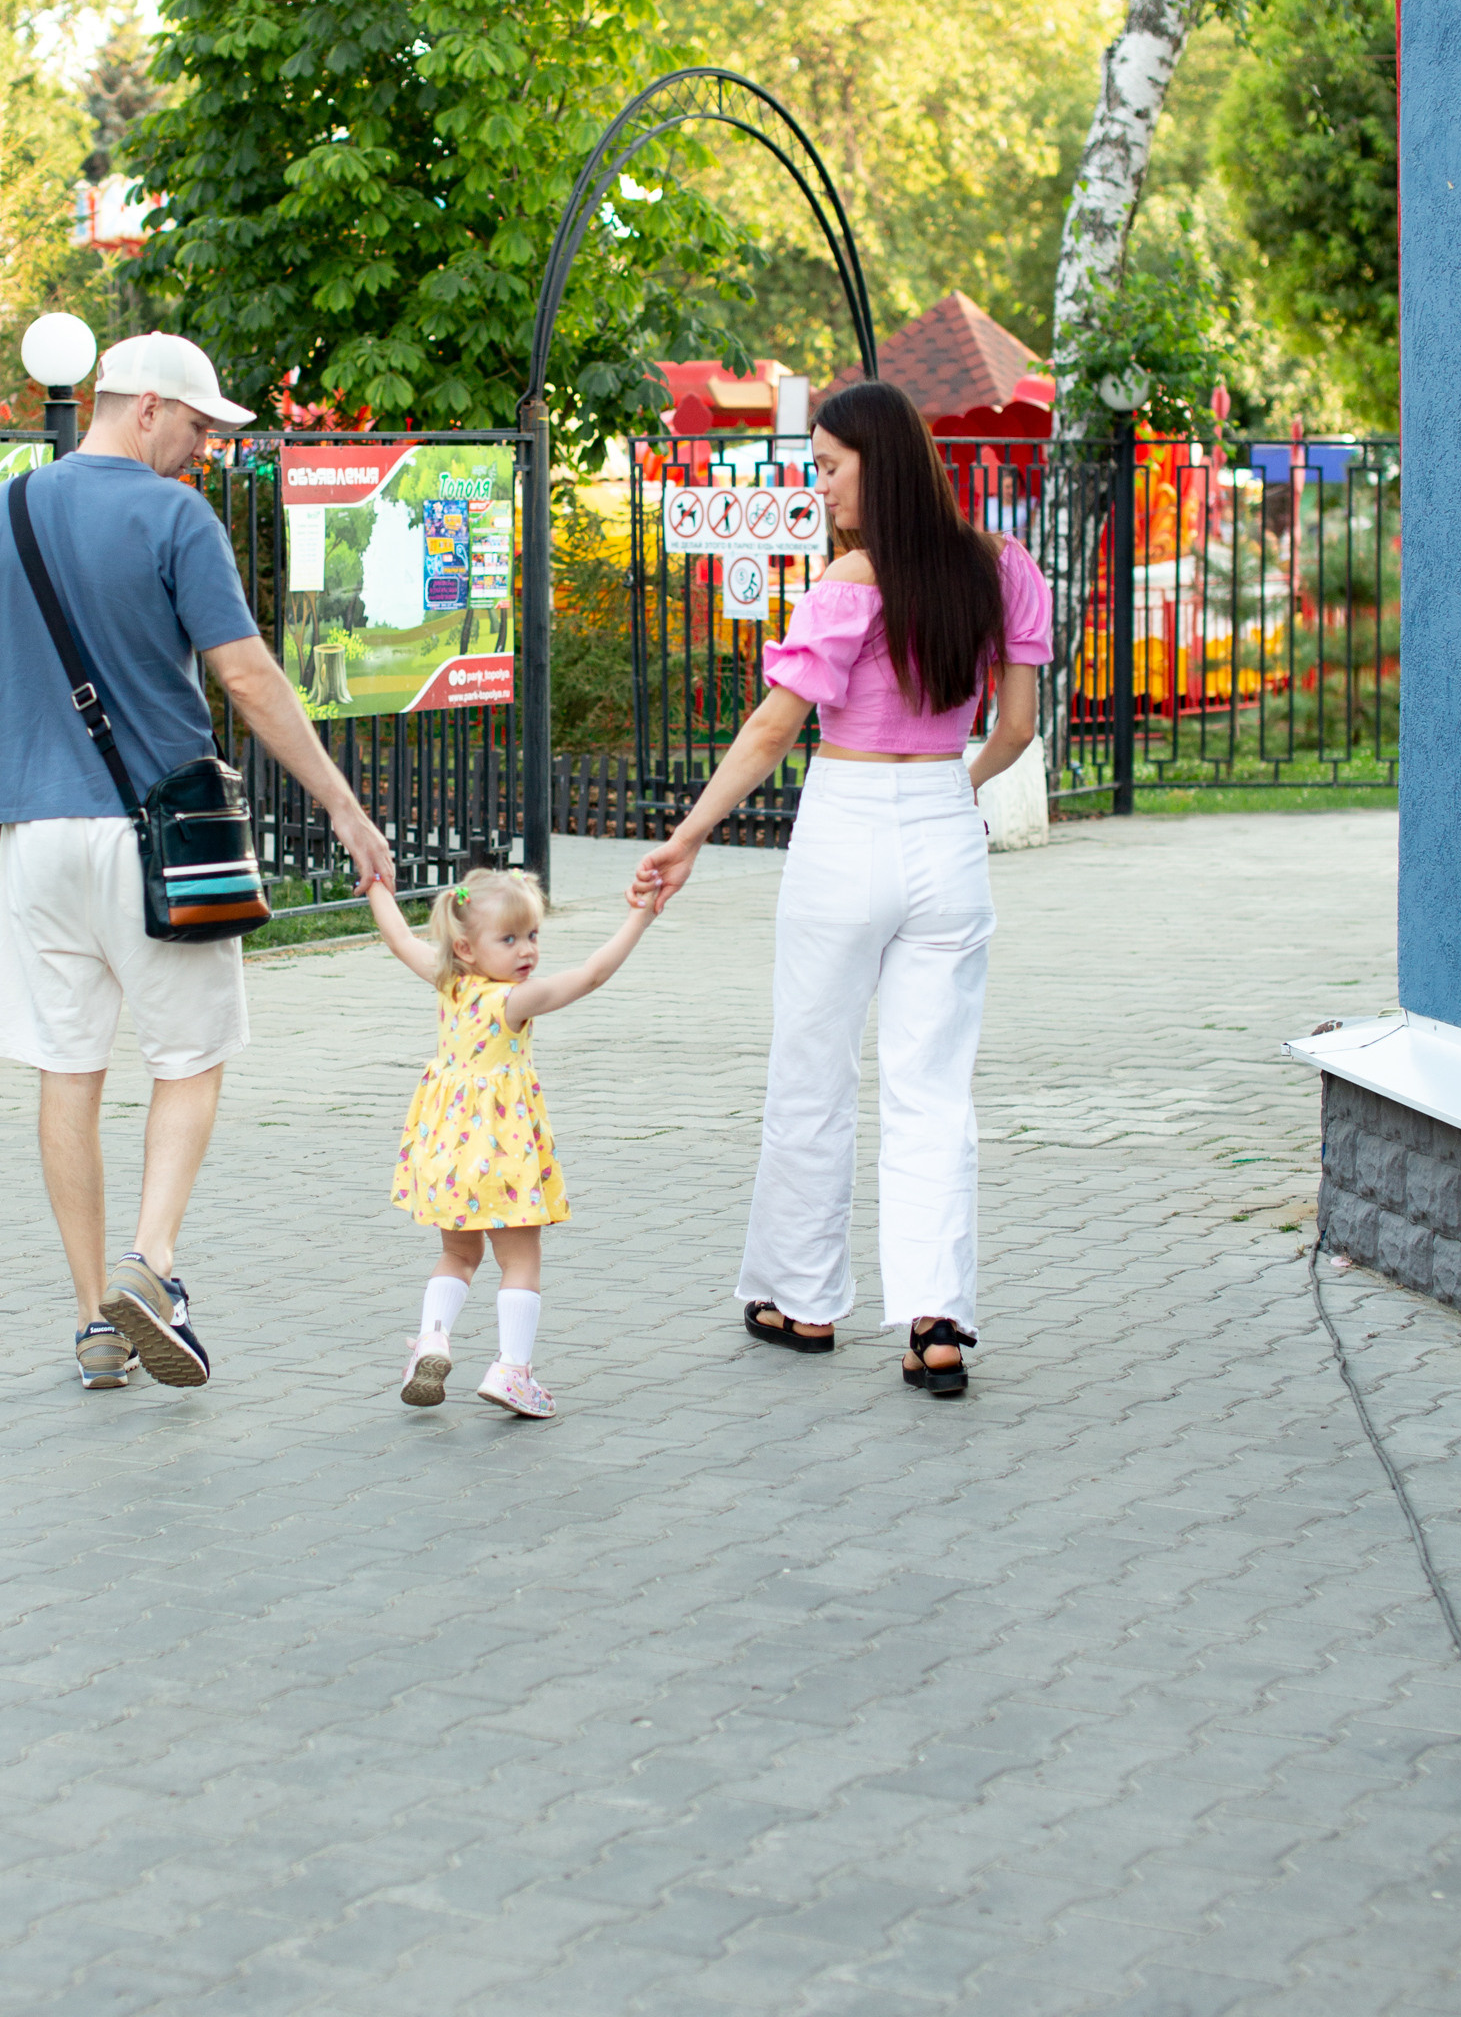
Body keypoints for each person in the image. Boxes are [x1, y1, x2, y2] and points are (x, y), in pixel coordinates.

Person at [0, 330, 397, 1393]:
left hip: (34, 841)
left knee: (68, 1070)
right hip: (161, 844)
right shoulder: (173, 517)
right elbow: (244, 676)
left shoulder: (3, 512)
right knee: (189, 1057)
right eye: (195, 426)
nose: (201, 450)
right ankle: (149, 1264)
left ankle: (94, 1321)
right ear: (145, 405)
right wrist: (340, 806)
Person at [628, 380, 1052, 1396]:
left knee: (811, 1075)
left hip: (844, 829)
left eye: (827, 466)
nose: (817, 487)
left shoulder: (847, 585)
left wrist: (685, 838)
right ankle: (935, 1322)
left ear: (879, 462)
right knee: (931, 1091)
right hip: (946, 837)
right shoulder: (1004, 569)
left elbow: (773, 731)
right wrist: (951, 789)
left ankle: (805, 1301)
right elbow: (1018, 731)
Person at [365, 865, 653, 1419]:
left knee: (457, 1252)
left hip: (448, 1154)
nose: (527, 951)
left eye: (533, 935)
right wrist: (640, 916)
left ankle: (432, 1340)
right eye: (510, 938)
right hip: (503, 1156)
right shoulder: (514, 1001)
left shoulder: (449, 983)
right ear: (467, 947)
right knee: (521, 1260)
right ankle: (512, 1371)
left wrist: (377, 880)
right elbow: (592, 975)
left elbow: (399, 938)